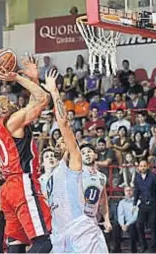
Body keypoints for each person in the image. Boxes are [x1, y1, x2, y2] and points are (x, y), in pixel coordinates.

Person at [0, 54, 52, 253]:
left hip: (9, 188)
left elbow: (34, 103)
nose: (13, 101)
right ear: (4, 108)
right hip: (22, 183)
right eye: (8, 100)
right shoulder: (12, 120)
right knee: (43, 242)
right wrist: (16, 77)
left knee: (17, 242)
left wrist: (34, 78)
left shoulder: (0, 125)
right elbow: (43, 99)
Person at [41, 69, 109, 253]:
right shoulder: (52, 173)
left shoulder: (74, 162)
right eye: (58, 139)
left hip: (82, 233)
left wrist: (54, 92)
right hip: (60, 234)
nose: (59, 140)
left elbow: (63, 123)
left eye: (63, 139)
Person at [133, 160, 156, 252]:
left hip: (153, 204)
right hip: (142, 204)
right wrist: (134, 204)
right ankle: (143, 245)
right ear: (138, 167)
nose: (142, 167)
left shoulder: (153, 176)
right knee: (139, 224)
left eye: (144, 166)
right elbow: (136, 191)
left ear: (147, 166)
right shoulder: (137, 177)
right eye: (141, 166)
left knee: (152, 225)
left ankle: (153, 247)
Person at [112, 186, 138, 253]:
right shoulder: (121, 202)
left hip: (132, 222)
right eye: (127, 190)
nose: (128, 192)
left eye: (130, 190)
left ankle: (133, 250)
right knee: (115, 226)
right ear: (124, 192)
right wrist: (122, 224)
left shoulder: (137, 202)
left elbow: (135, 216)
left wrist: (127, 224)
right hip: (123, 223)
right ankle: (117, 249)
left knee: (133, 227)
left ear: (133, 191)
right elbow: (120, 215)